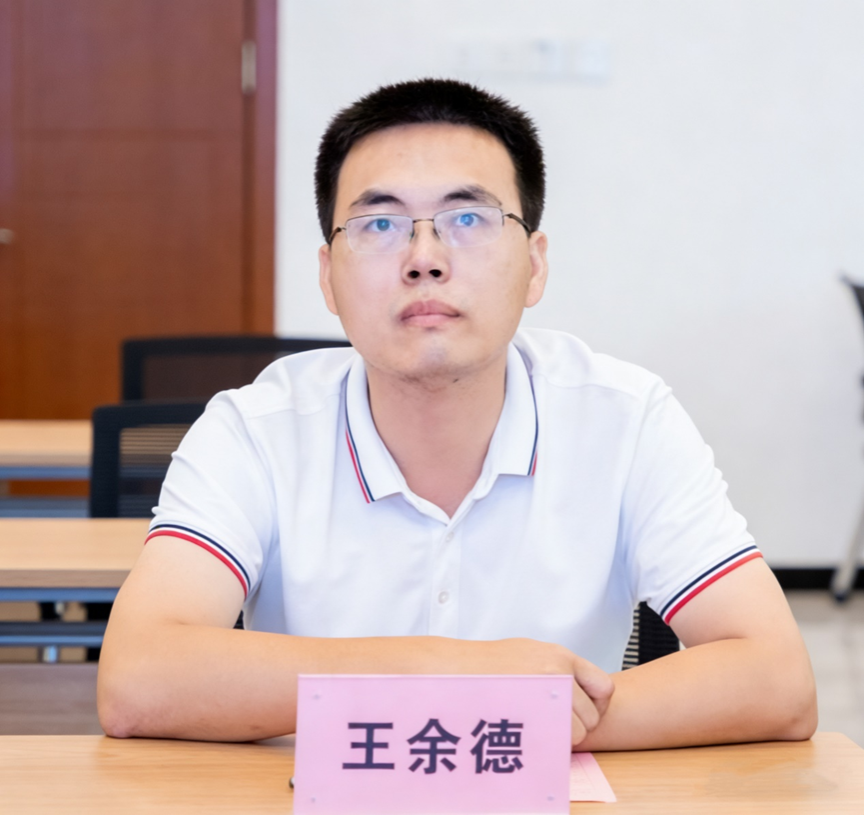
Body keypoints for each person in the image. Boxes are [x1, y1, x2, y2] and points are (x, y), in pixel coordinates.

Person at [97, 78, 816, 748]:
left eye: (468, 218)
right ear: (328, 277)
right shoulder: (254, 430)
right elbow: (138, 678)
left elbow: (777, 679)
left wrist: (512, 720)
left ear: (534, 265)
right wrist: (451, 674)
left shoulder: (626, 421)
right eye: (379, 223)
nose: (425, 258)